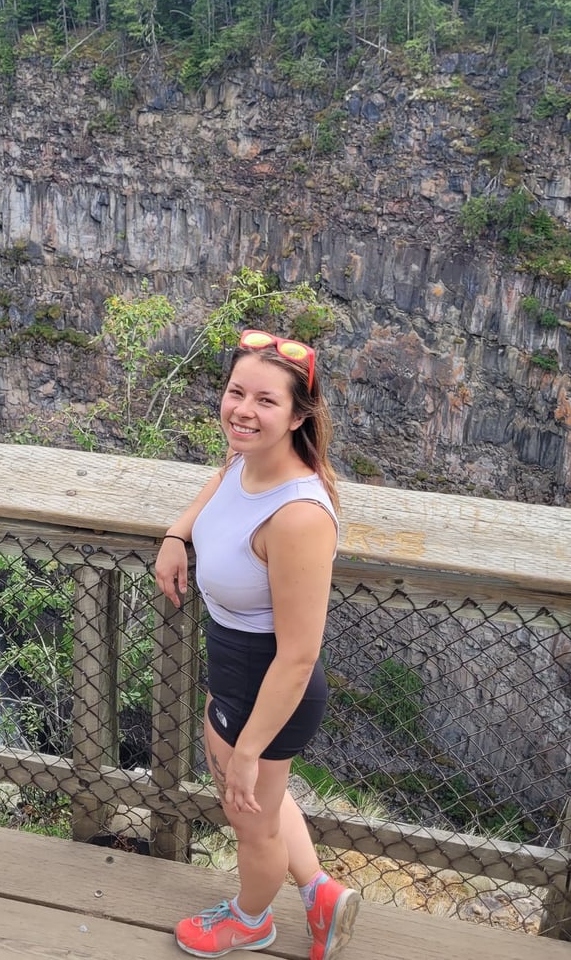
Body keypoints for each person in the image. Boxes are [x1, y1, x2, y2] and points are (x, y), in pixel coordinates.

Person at [155, 328, 360, 960]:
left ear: (299, 415)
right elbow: (221, 482)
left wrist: (247, 750)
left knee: (252, 819)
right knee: (265, 804)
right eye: (235, 392)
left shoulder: (299, 515)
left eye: (266, 401)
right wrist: (176, 533)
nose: (244, 410)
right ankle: (320, 892)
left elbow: (298, 656)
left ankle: (251, 921)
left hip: (271, 688)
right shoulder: (248, 462)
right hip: (237, 670)